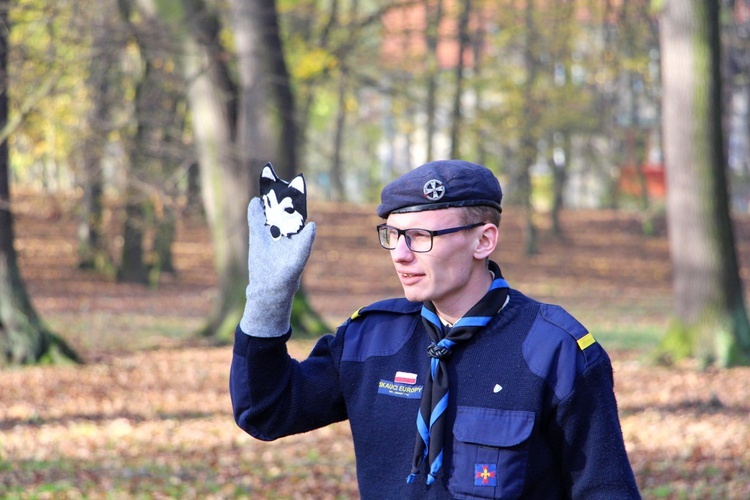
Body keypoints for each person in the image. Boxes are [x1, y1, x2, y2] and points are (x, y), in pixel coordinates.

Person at [230, 159, 641, 499]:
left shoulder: (554, 350)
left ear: (483, 241)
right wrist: (268, 300)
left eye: (421, 236)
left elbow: (604, 489)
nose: (401, 255)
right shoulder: (369, 340)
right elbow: (265, 411)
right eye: (392, 235)